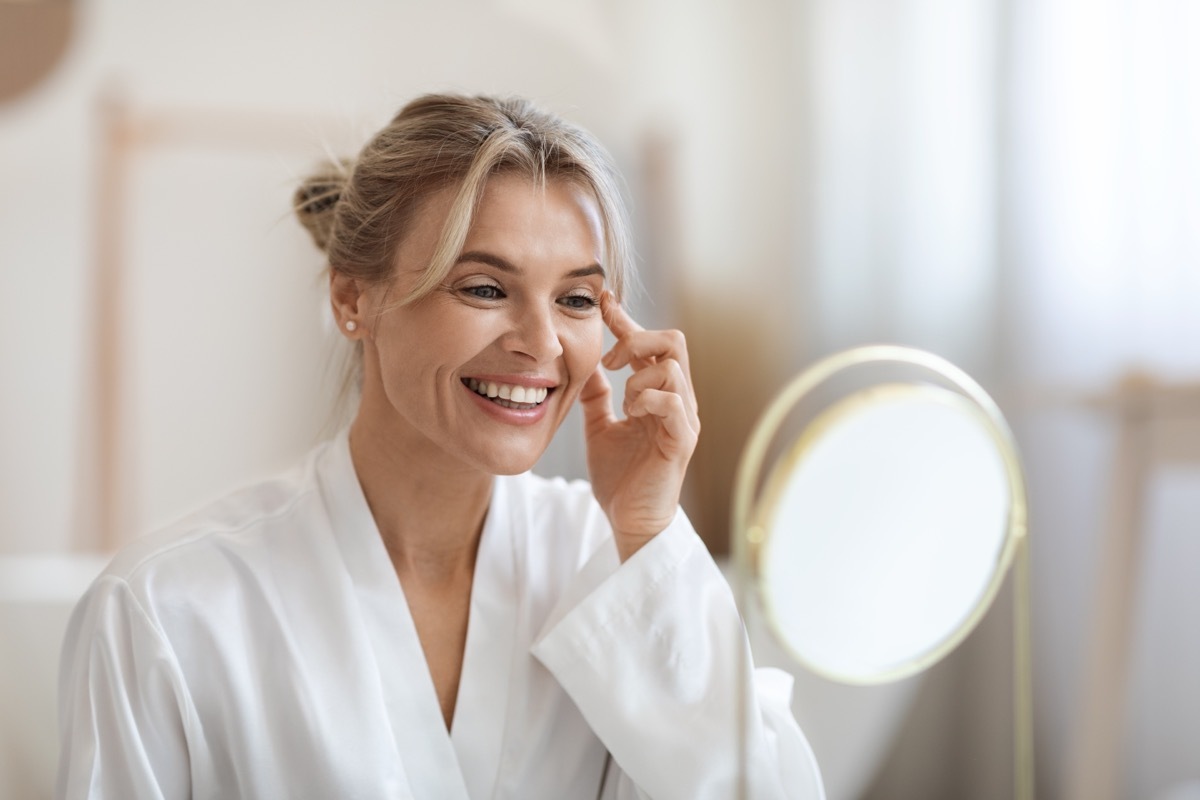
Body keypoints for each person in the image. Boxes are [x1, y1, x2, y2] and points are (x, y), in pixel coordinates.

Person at [56, 93, 824, 799]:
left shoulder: (619, 568)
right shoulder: (166, 610)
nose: (541, 343)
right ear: (353, 298)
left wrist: (649, 532)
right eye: (484, 288)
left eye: (576, 299)